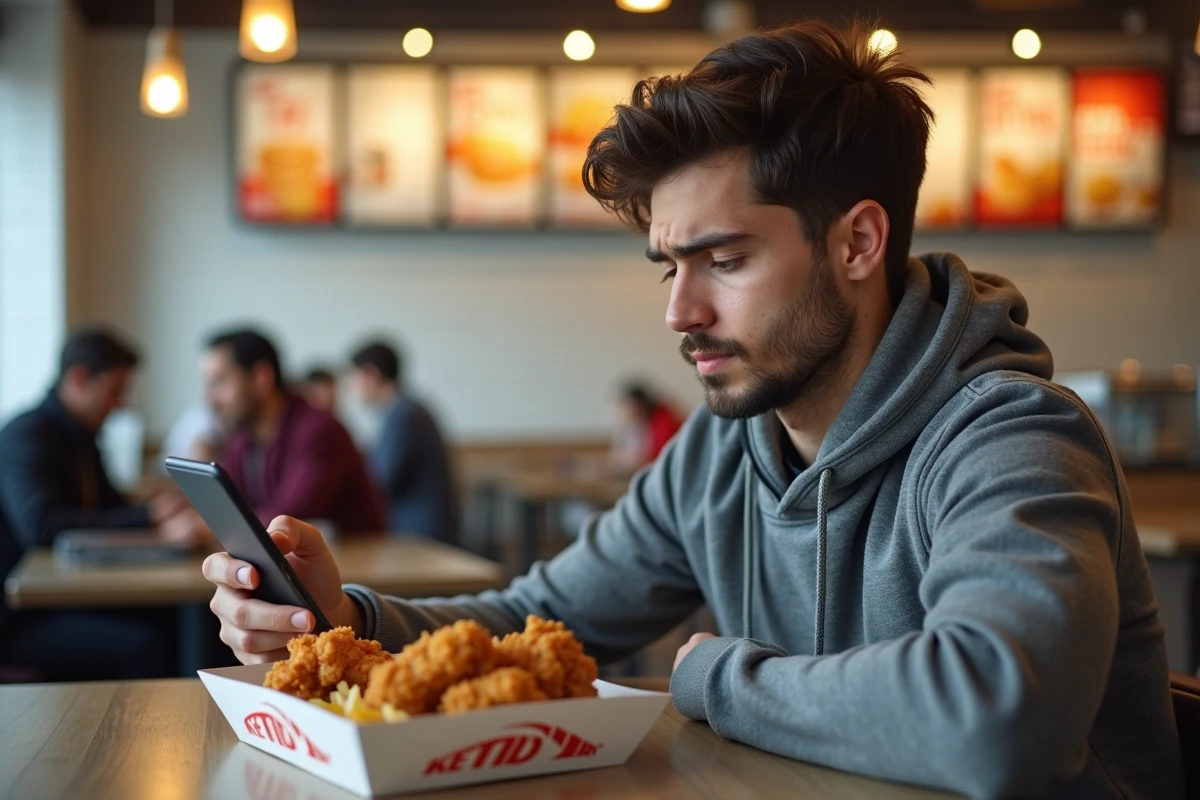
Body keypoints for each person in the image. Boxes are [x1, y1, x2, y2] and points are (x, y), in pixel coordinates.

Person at [200, 22, 1183, 799]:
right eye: (669, 266)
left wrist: (716, 677)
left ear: (857, 243)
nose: (680, 312)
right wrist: (347, 619)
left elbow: (1001, 719)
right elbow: (534, 622)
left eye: (725, 259)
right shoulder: (723, 447)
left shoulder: (1010, 436)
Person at [0, 327, 202, 679]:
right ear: (79, 379)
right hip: (19, 616)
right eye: (114, 390)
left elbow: (107, 506)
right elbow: (42, 527)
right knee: (146, 645)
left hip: (64, 596)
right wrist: (149, 517)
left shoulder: (81, 437)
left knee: (181, 616)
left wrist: (157, 507)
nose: (120, 404)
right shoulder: (26, 435)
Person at [203, 328, 384, 535]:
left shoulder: (320, 431)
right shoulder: (241, 438)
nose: (210, 399)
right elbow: (231, 504)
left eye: (220, 382)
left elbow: (288, 517)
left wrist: (210, 528)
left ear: (261, 378)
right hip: (292, 554)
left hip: (354, 554)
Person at [347, 341, 456, 542]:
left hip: (421, 538)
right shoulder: (403, 411)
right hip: (416, 532)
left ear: (371, 375)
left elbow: (379, 483)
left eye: (353, 378)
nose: (351, 389)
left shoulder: (404, 417)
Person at [611, 382, 685, 474]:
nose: (623, 412)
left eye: (626, 406)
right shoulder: (639, 421)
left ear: (637, 405)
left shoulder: (662, 419)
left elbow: (654, 458)